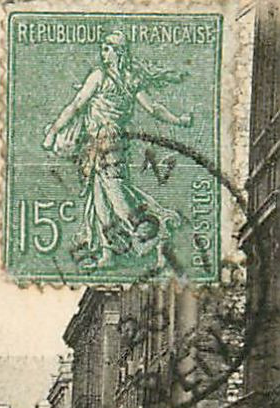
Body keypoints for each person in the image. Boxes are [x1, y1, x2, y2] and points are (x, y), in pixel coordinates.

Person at [41, 30, 194, 271]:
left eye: (107, 48)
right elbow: (152, 108)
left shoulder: (101, 77)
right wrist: (179, 120)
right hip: (98, 145)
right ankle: (108, 253)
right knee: (101, 200)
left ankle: (159, 233)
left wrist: (53, 132)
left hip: (109, 144)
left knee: (119, 198)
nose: (103, 53)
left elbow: (77, 105)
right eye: (103, 48)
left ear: (119, 52)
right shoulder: (128, 79)